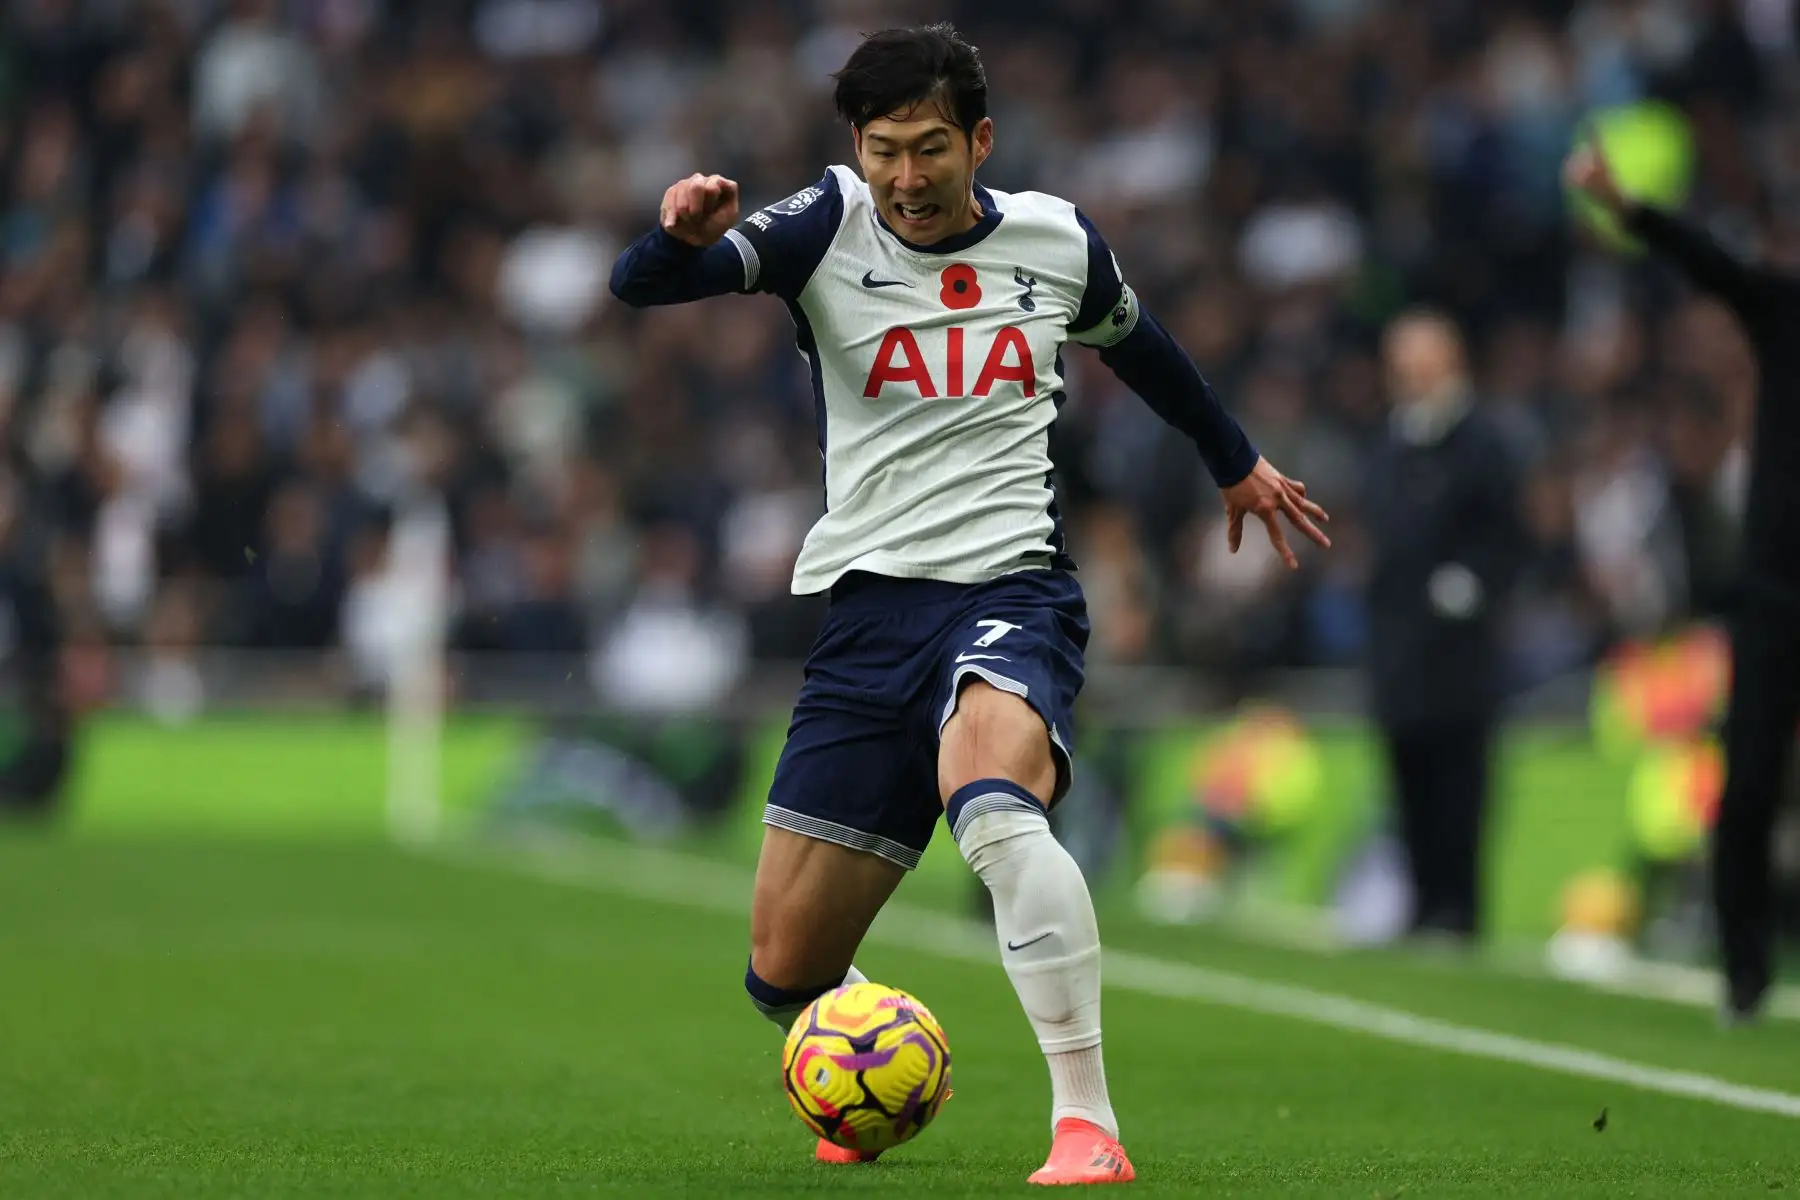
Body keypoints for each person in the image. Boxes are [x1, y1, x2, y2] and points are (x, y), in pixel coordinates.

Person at [610, 24, 1329, 1184]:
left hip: (1011, 591)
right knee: (784, 972)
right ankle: (880, 1056)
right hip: (868, 616)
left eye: (931, 149)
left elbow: (1147, 351)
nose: (907, 177)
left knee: (993, 805)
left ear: (979, 142)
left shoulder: (1053, 240)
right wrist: (673, 233)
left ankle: (1085, 1122)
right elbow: (644, 287)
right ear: (857, 145)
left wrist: (1233, 461)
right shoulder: (822, 228)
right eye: (886, 149)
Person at [1566, 133, 1800, 1025]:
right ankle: (1743, 973)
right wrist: (1627, 209)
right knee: (1746, 789)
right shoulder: (1785, 312)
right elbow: (1714, 264)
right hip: (1775, 595)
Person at [1364, 309, 1526, 946]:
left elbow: (1510, 535)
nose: (1405, 369)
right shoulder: (1391, 441)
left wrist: (1476, 582)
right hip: (1400, 645)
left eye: (1417, 356)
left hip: (1461, 652)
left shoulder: (1484, 440)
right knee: (1408, 776)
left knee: (1461, 780)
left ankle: (1458, 908)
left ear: (1449, 359)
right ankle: (1422, 900)